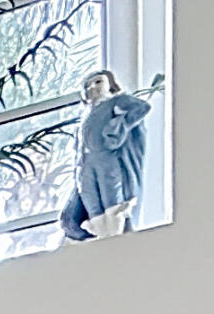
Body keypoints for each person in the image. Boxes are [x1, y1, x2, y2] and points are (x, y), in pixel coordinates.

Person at [60, 70, 158, 240]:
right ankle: (100, 231)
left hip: (106, 157)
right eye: (88, 86)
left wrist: (117, 126)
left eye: (98, 82)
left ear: (109, 84)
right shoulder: (88, 114)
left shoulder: (117, 101)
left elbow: (142, 107)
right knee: (91, 197)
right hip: (87, 164)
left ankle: (115, 231)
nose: (93, 88)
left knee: (111, 193)